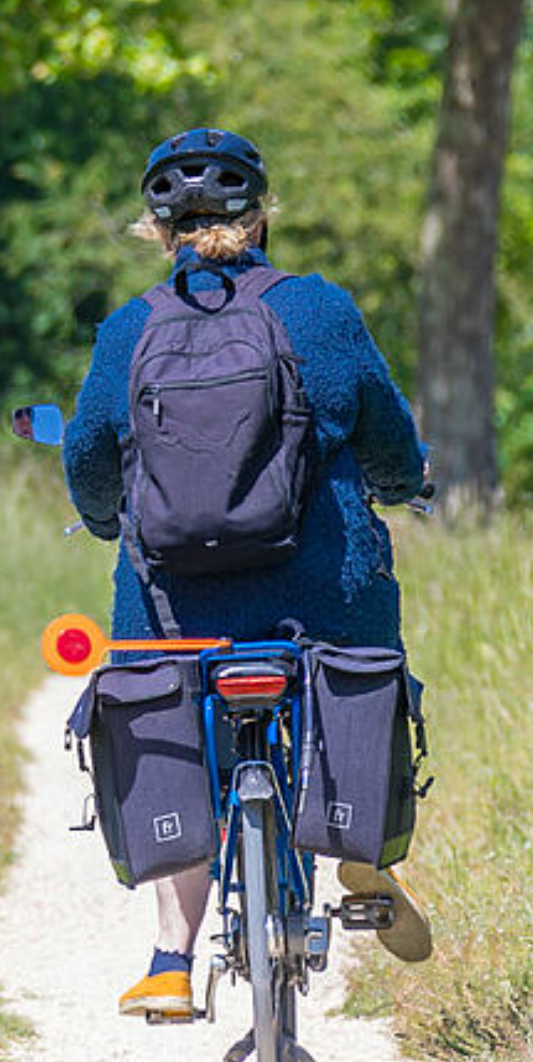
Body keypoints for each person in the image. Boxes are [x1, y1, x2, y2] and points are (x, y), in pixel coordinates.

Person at [63, 127, 432, 1020]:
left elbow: (86, 458)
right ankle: (361, 845)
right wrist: (401, 484)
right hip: (322, 603)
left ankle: (170, 957)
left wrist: (107, 519)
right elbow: (388, 436)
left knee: (165, 712)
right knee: (359, 666)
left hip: (174, 611)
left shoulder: (129, 330)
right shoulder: (321, 312)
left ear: (159, 231)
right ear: (261, 217)